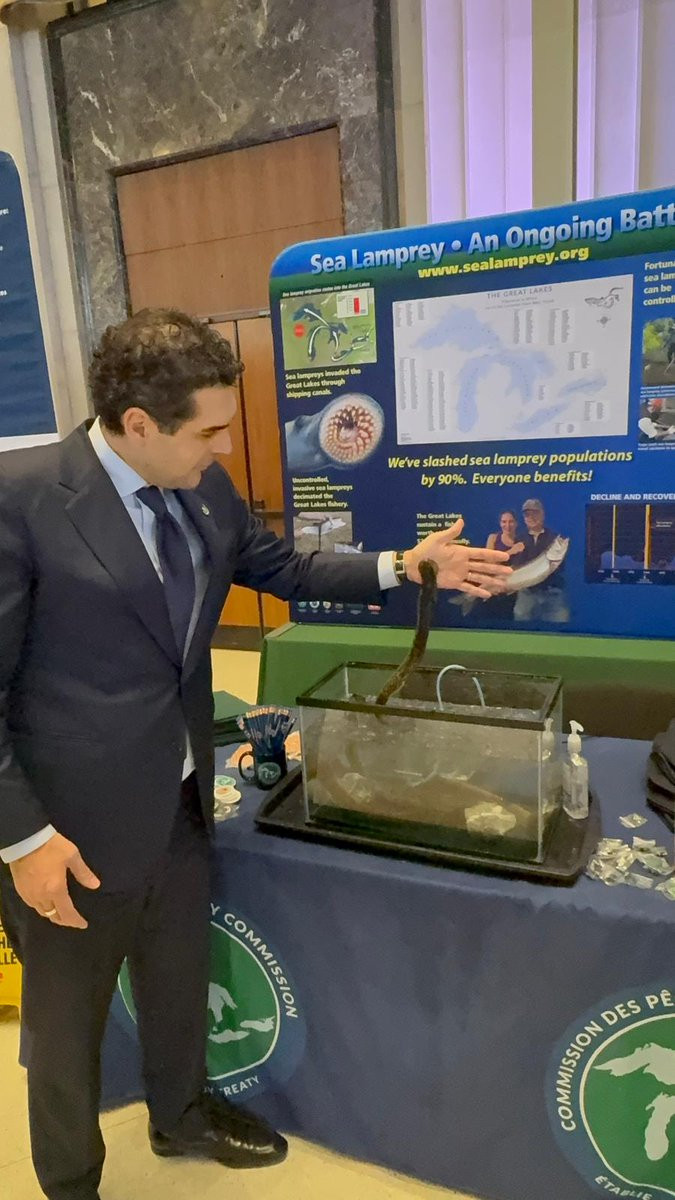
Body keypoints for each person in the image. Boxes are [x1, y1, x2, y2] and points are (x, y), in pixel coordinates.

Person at [0, 308, 511, 1200]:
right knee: (66, 1024)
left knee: (176, 978)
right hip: (68, 831)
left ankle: (180, 1115)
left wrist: (403, 566)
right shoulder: (22, 499)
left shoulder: (202, 488)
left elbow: (285, 570)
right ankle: (70, 1180)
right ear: (137, 424)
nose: (226, 449)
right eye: (209, 431)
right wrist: (23, 840)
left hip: (179, 801)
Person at [512, 498, 569, 624]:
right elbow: (517, 564)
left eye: (535, 513)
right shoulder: (519, 539)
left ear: (542, 514)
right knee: (521, 625)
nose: (531, 517)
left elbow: (561, 566)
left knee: (559, 624)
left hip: (552, 593)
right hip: (527, 593)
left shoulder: (554, 538)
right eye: (527, 514)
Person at [483, 510, 524, 619]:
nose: (507, 525)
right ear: (500, 523)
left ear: (516, 523)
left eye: (511, 522)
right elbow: (489, 563)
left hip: (512, 591)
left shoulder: (522, 541)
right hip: (493, 589)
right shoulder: (493, 538)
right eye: (504, 522)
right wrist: (510, 552)